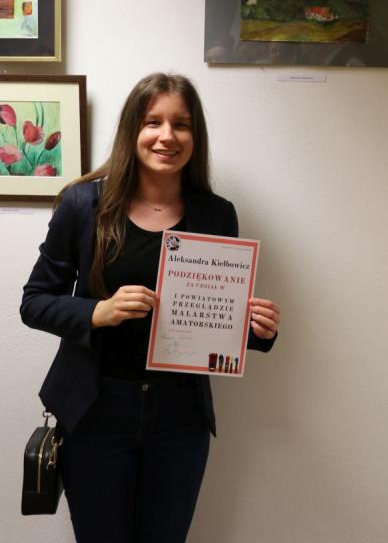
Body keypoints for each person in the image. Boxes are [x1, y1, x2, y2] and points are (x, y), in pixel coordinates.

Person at [20, 72, 280, 543]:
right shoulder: (83, 204)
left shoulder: (217, 214)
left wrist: (256, 330)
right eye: (152, 122)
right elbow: (34, 302)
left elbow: (214, 320)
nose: (167, 136)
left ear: (195, 136)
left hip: (179, 416)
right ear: (132, 130)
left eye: (181, 124)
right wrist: (97, 312)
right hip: (95, 410)